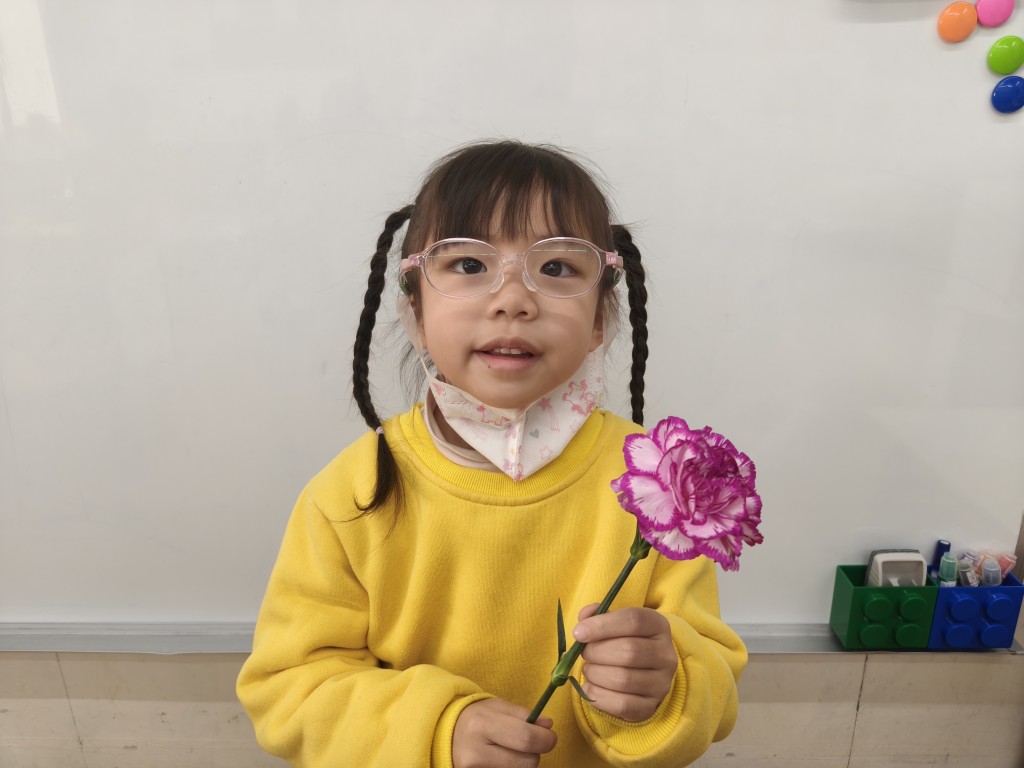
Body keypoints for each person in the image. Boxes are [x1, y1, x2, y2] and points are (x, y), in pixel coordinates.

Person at [236, 140, 747, 767]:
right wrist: (436, 731)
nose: (513, 299)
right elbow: (288, 687)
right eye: (469, 264)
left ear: (600, 319)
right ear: (415, 310)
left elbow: (713, 671)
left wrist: (668, 686)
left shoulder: (661, 484)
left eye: (556, 267)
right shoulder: (351, 491)